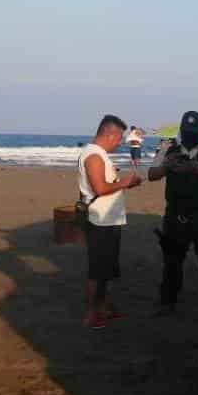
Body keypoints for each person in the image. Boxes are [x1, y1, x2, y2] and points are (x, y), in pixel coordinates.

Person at [149, 110, 198, 313]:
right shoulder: (168, 151)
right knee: (172, 262)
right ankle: (168, 301)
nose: (188, 135)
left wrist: (197, 170)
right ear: (181, 130)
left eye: (192, 131)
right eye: (185, 130)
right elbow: (152, 174)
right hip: (175, 216)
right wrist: (167, 166)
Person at [78, 115, 142, 329]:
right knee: (97, 270)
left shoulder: (99, 155)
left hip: (108, 219)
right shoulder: (94, 156)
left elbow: (104, 185)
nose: (121, 142)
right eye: (119, 138)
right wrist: (125, 182)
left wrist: (124, 183)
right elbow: (100, 188)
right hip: (99, 221)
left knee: (106, 269)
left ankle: (102, 308)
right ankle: (91, 313)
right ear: (110, 134)